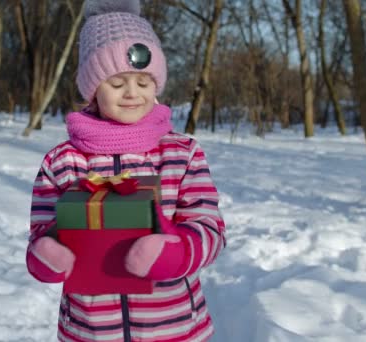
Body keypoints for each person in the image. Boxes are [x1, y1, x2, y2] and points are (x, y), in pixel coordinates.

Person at [25, 1, 226, 341]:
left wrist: (178, 253)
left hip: (174, 329)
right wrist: (46, 257)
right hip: (89, 331)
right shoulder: (63, 161)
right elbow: (41, 233)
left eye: (144, 83)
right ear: (93, 90)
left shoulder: (181, 154)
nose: (132, 93)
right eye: (117, 83)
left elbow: (211, 231)